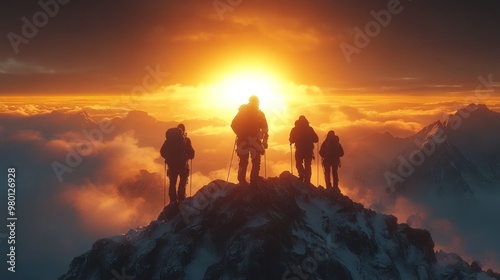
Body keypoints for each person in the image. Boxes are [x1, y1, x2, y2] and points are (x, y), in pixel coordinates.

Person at [231, 95, 268, 185]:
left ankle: (241, 180)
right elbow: (265, 128)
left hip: (242, 140)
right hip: (255, 141)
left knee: (243, 161)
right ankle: (254, 180)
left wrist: (239, 133)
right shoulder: (259, 114)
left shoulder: (242, 111)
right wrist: (264, 141)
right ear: (258, 103)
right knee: (256, 161)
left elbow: (233, 124)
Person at [160, 124, 195, 203]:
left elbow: (162, 152)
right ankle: (181, 198)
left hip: (171, 166)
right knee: (182, 182)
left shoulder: (168, 141)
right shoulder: (186, 140)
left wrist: (168, 158)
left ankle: (173, 200)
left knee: (172, 183)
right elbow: (192, 154)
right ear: (183, 131)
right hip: (183, 166)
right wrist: (186, 157)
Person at [289, 115, 318, 184]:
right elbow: (316, 139)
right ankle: (307, 180)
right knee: (308, 165)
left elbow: (291, 140)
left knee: (298, 163)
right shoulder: (309, 129)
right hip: (309, 150)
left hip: (299, 149)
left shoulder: (295, 129)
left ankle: (302, 175)